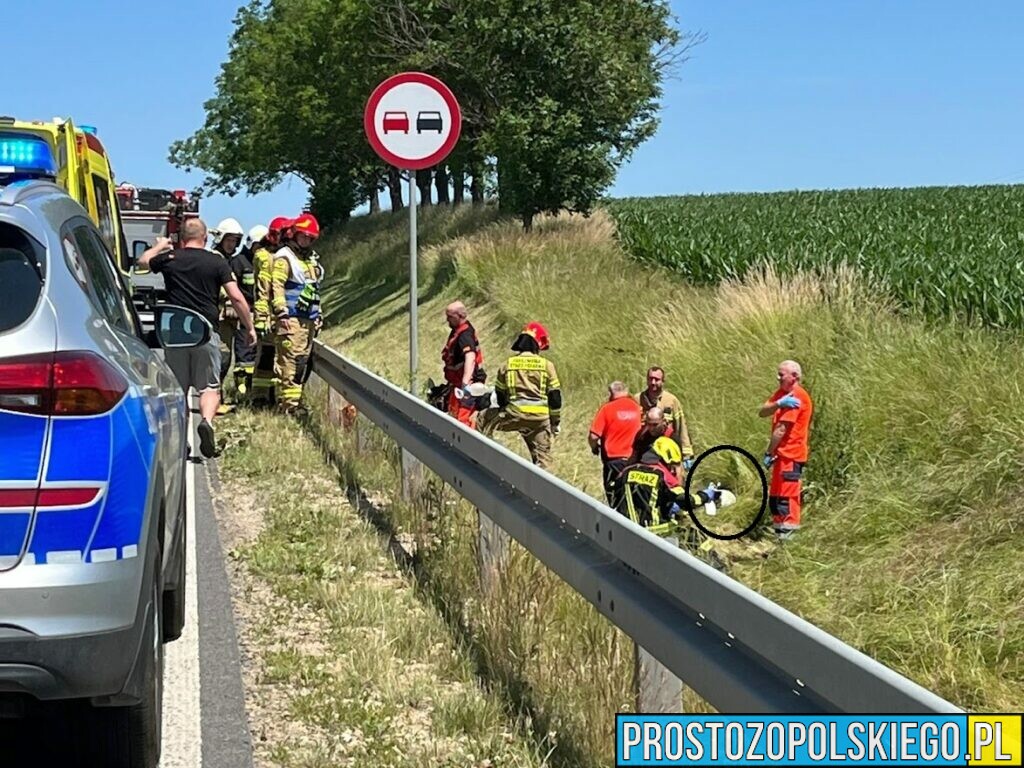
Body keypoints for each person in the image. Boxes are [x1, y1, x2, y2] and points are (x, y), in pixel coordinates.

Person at [138, 218, 256, 458]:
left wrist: (161, 245)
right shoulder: (217, 262)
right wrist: (249, 326)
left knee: (178, 388)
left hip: (175, 333)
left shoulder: (170, 259)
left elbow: (142, 262)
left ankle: (181, 438)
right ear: (205, 238)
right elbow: (236, 297)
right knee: (209, 386)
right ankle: (207, 422)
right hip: (204, 332)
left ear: (181, 239)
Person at [478, 322, 561, 469]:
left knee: (481, 419)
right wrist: (554, 423)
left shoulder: (507, 365)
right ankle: (544, 487)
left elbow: (500, 395)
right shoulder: (547, 365)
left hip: (513, 415)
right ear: (538, 345)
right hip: (540, 421)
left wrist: (504, 410)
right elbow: (555, 398)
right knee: (543, 460)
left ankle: (485, 459)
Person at [617, 436, 735, 535]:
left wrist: (666, 504)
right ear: (666, 461)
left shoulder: (627, 471)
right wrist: (707, 495)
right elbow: (687, 501)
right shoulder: (663, 476)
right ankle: (712, 561)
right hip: (652, 531)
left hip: (624, 528)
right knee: (690, 533)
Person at [271, 213, 324, 414]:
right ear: (294, 235)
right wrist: (281, 312)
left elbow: (313, 289)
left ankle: (293, 402)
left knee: (302, 361)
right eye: (303, 237)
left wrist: (318, 314)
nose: (306, 241)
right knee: (291, 362)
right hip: (291, 320)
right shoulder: (285, 257)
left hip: (308, 320)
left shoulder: (310, 259)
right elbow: (276, 286)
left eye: (310, 238)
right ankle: (290, 407)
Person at [759, 359, 814, 540]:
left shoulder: (797, 397)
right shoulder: (784, 394)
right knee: (776, 497)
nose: (778, 377)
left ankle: (788, 541)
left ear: (795, 377)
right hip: (782, 457)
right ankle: (780, 538)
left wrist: (768, 452)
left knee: (787, 499)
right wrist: (779, 403)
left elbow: (781, 430)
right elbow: (763, 411)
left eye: (782, 375)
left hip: (791, 455)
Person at [251, 216, 292, 405]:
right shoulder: (264, 257)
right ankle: (260, 396)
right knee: (267, 356)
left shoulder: (286, 255)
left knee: (282, 358)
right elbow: (263, 291)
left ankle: (276, 396)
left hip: (283, 316)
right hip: (268, 315)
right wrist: (261, 318)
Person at [208, 217, 246, 402]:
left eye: (234, 241)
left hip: (230, 318)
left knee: (226, 357)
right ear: (220, 239)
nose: (231, 244)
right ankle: (215, 397)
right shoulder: (215, 259)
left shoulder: (231, 261)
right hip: (218, 316)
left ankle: (218, 396)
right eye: (228, 240)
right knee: (220, 357)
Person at [588, 381, 642, 507]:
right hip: (634, 460)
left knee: (615, 500)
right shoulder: (637, 407)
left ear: (610, 393)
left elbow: (593, 436)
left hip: (614, 462)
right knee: (632, 499)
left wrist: (594, 448)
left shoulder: (607, 408)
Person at [225, 224, 264, 397]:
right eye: (258, 245)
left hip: (261, 313)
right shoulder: (239, 262)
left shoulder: (265, 261)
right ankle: (242, 388)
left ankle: (256, 390)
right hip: (244, 312)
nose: (260, 249)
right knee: (244, 351)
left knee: (259, 352)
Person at [637, 366, 694, 469]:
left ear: (663, 381)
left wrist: (686, 453)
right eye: (650, 379)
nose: (653, 382)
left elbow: (681, 427)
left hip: (667, 451)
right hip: (644, 451)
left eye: (657, 379)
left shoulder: (671, 401)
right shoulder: (637, 400)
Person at [440, 300, 485, 427]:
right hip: (457, 385)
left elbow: (470, 357)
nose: (447, 320)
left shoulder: (465, 334)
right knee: (455, 417)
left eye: (450, 317)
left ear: (459, 316)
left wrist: (465, 385)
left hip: (467, 387)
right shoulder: (458, 330)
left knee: (463, 422)